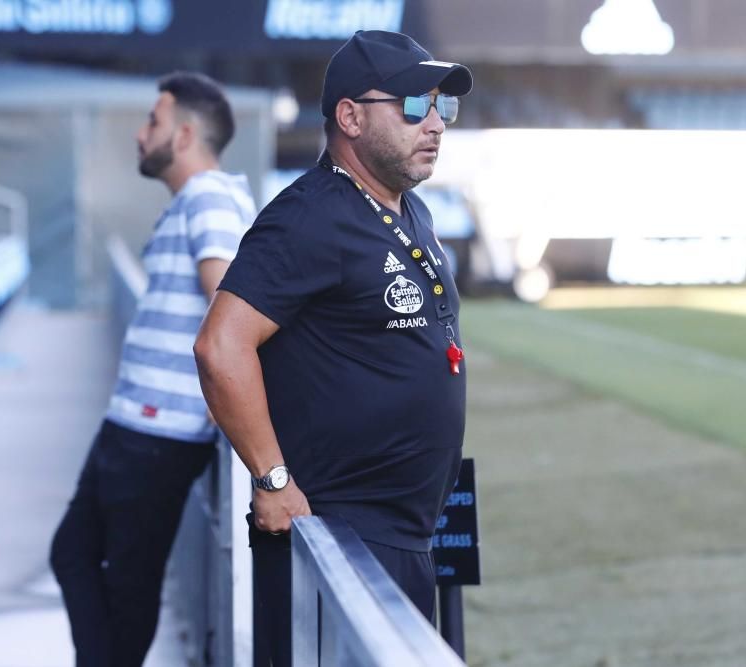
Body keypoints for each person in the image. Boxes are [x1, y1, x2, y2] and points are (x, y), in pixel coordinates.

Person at [194, 30, 473, 666]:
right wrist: (272, 480)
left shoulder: (409, 209)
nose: (434, 124)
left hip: (401, 536)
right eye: (412, 105)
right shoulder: (309, 216)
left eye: (443, 107)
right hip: (338, 540)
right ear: (349, 116)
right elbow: (221, 346)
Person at [50, 71, 255, 667]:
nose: (142, 135)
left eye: (154, 122)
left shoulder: (212, 198)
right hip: (137, 423)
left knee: (124, 583)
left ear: (186, 134)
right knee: (78, 556)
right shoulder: (197, 200)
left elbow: (229, 307)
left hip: (159, 429)